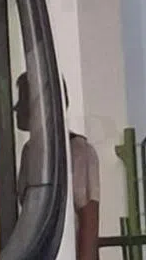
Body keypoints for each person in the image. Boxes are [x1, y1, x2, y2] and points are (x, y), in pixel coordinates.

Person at [15, 73, 99, 260]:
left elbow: (88, 222)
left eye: (23, 99)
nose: (16, 108)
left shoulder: (78, 151)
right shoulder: (29, 151)